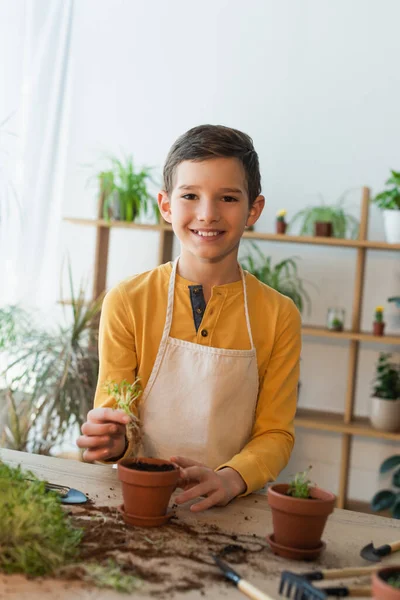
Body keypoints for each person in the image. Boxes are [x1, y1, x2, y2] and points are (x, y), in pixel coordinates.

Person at [77, 124, 301, 512]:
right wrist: (114, 441)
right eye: (190, 196)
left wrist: (230, 479)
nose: (207, 214)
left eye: (228, 198)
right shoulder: (128, 301)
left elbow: (275, 433)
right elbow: (117, 411)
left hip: (230, 508)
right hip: (136, 499)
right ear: (166, 206)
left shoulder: (279, 315)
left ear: (254, 209)